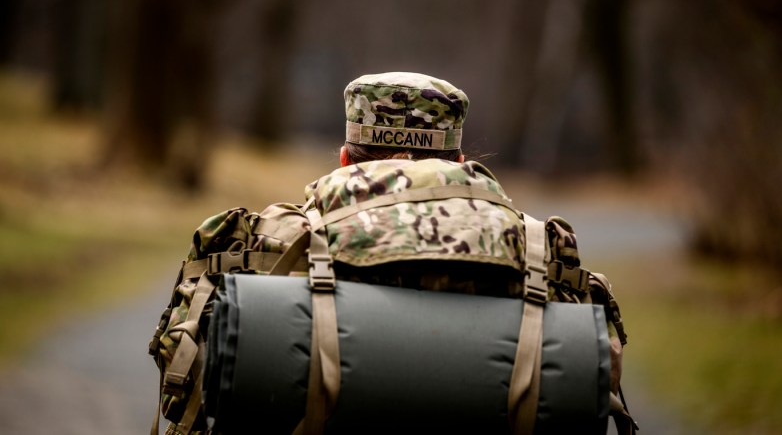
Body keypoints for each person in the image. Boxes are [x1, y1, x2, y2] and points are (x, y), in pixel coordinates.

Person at [150, 71, 632, 435]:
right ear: (460, 162)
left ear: (344, 157)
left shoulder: (268, 239)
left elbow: (181, 375)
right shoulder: (539, 250)